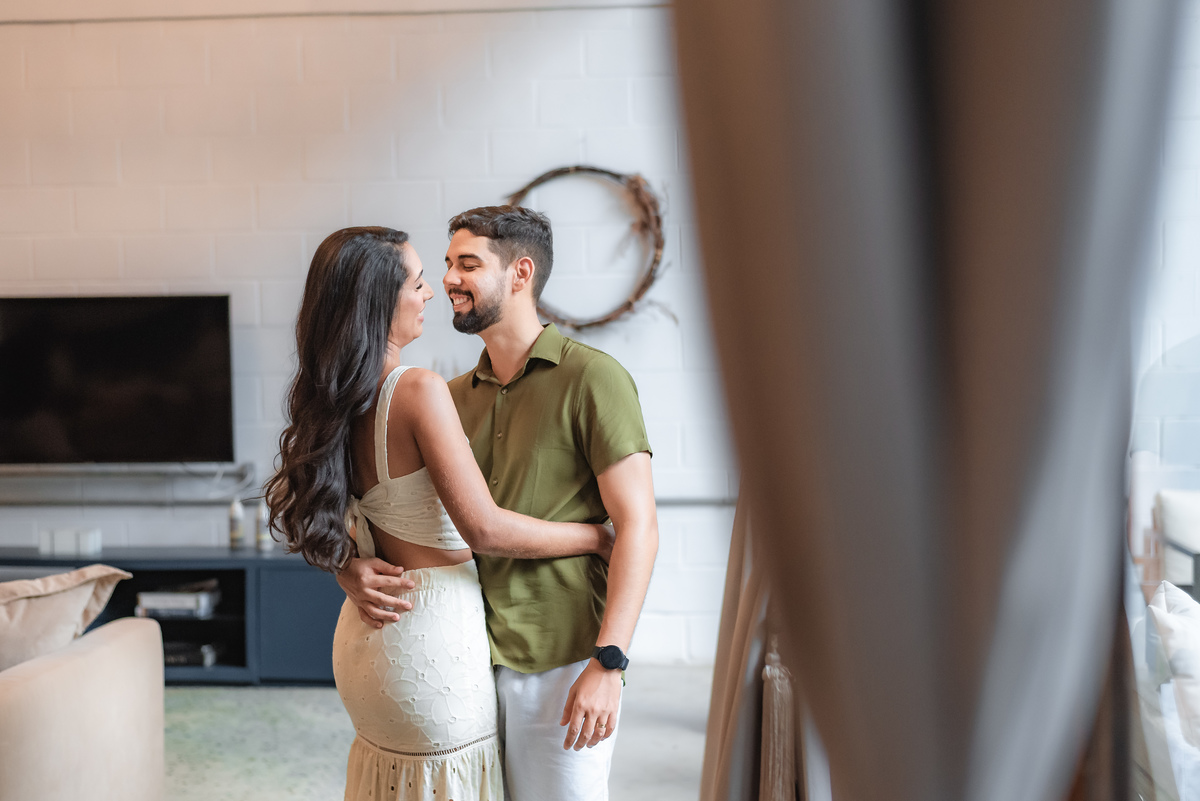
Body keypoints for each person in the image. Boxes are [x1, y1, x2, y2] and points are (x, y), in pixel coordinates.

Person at [264, 226, 616, 801]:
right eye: (419, 281)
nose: (430, 293)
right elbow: (485, 528)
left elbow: (332, 509)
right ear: (382, 300)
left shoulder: (336, 397)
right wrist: (595, 538)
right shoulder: (418, 390)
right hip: (432, 649)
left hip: (366, 645)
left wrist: (346, 566)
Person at [337, 207, 659, 801]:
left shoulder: (594, 379)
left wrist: (609, 662)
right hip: (464, 657)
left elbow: (638, 526)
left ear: (520, 273)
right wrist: (349, 563)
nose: (450, 280)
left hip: (558, 659)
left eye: (468, 264)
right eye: (446, 265)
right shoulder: (450, 397)